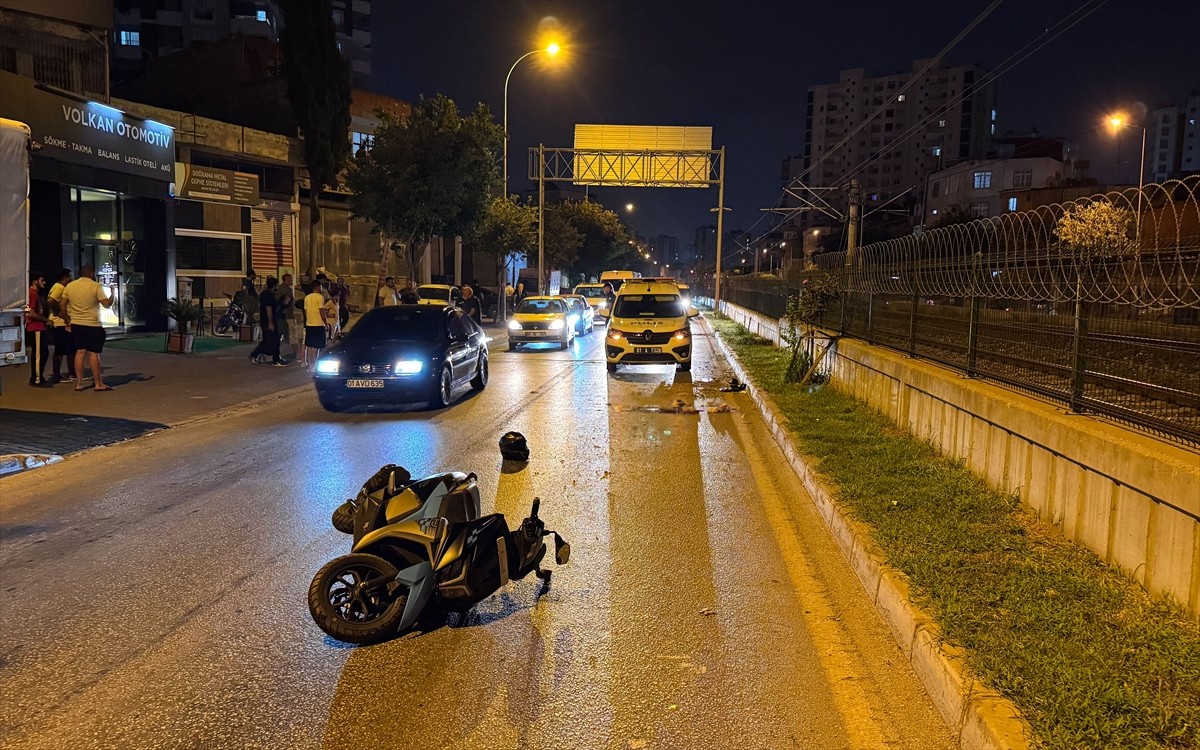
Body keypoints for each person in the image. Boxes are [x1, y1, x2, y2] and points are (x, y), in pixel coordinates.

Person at [60, 264, 114, 391]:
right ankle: (98, 384)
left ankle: (79, 383)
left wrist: (67, 319)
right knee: (93, 353)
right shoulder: (95, 286)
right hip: (93, 325)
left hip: (76, 324)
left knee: (80, 352)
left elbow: (62, 306)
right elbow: (106, 304)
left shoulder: (70, 286)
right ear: (91, 274)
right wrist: (112, 295)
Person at [46, 268, 76, 383]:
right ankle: (69, 374)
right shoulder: (60, 287)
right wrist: (61, 314)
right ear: (64, 278)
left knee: (61, 349)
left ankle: (59, 374)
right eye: (69, 277)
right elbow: (51, 301)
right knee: (69, 349)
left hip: (59, 323)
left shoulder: (56, 286)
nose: (71, 279)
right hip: (60, 323)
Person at [250, 276, 287, 366]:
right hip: (268, 321)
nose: (277, 287)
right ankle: (257, 354)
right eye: (277, 285)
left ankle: (276, 358)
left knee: (273, 339)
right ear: (274, 286)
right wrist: (270, 323)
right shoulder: (268, 295)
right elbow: (269, 309)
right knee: (271, 340)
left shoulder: (266, 294)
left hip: (267, 320)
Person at [25, 272, 50, 387]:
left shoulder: (34, 294)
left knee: (43, 352)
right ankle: (36, 378)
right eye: (42, 280)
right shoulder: (32, 294)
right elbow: (31, 313)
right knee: (39, 354)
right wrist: (45, 320)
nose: (44, 283)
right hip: (36, 328)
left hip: (38, 327)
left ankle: (38, 376)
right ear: (35, 282)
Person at [302, 281, 329, 370]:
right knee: (317, 347)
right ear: (318, 287)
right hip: (318, 324)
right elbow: (321, 311)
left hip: (309, 324)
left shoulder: (307, 297)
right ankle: (315, 364)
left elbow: (305, 311)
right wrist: (326, 323)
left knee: (310, 346)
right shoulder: (320, 297)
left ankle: (310, 365)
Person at [275, 272, 295, 359]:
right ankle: (297, 354)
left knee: (278, 336)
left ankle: (276, 353)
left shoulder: (278, 288)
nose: (292, 281)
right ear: (286, 280)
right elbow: (286, 302)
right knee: (291, 336)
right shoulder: (288, 290)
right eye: (290, 280)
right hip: (286, 315)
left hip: (278, 315)